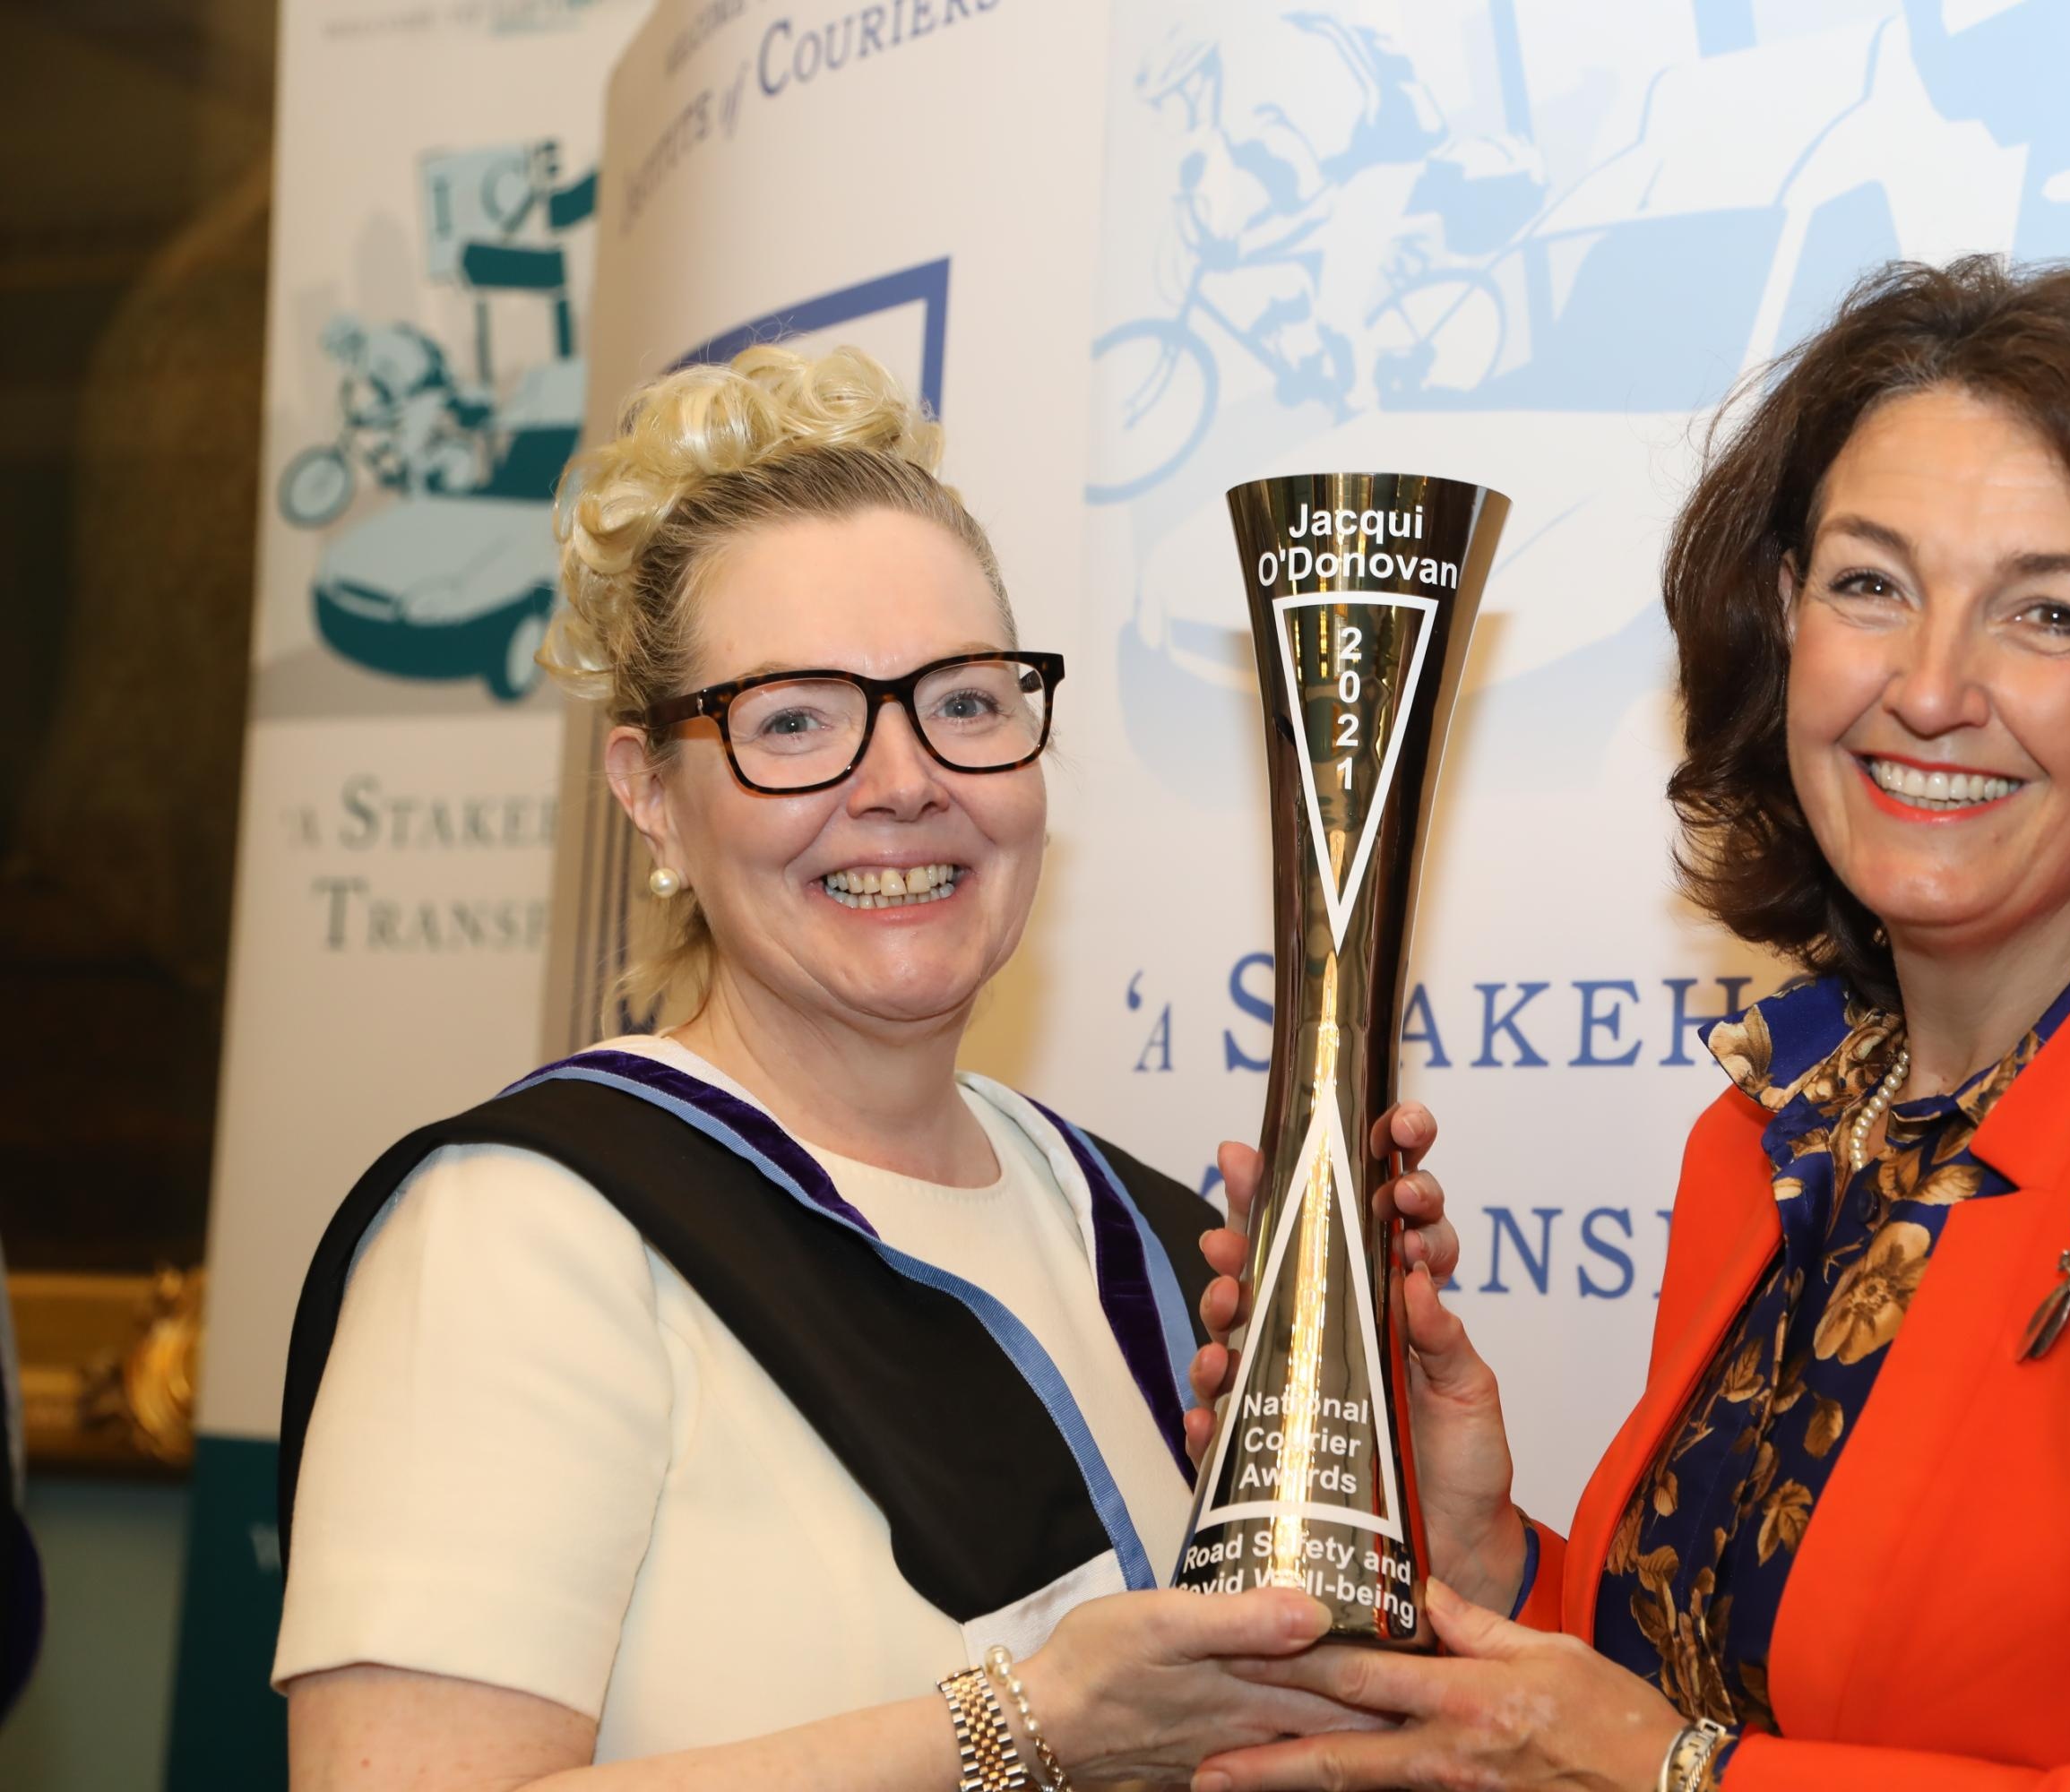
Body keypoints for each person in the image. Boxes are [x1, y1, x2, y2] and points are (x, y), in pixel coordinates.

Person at [1181, 258, 2070, 1791]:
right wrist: (1486, 1556)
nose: (1931, 688)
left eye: (2050, 613)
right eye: (1871, 585)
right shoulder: (1778, 1135)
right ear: (1786, 625)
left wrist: (1661, 1776)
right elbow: (1750, 1695)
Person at [271, 342, 1455, 1786]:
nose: (904, 782)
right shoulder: (526, 1234)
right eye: (795, 721)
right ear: (651, 795)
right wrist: (1021, 1730)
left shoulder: (1156, 1242)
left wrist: (1446, 1534)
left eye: (964, 702)